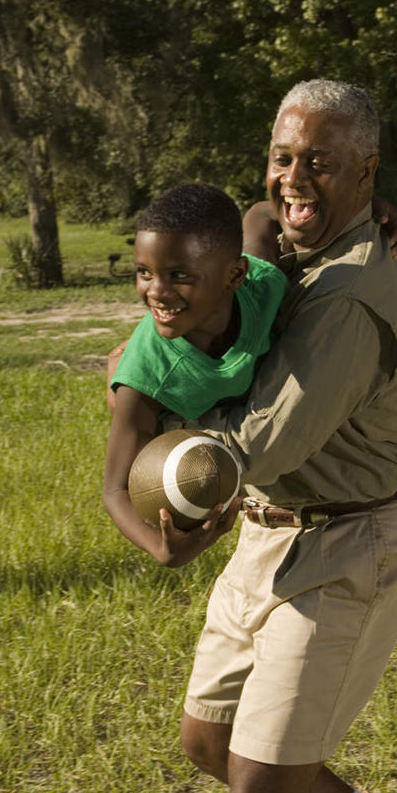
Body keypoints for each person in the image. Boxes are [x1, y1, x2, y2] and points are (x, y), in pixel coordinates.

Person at [160, 79, 397, 793]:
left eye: (319, 161)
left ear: (367, 171)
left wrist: (154, 424)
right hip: (270, 531)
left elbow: (261, 445)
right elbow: (257, 215)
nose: (293, 177)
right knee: (208, 740)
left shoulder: (346, 295)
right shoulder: (300, 249)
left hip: (349, 544)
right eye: (282, 157)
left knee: (262, 783)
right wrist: (280, 206)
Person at [242, 194, 397, 638]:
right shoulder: (245, 244)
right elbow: (263, 211)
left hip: (309, 362)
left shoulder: (323, 274)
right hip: (276, 373)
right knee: (335, 467)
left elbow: (267, 211)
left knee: (367, 470)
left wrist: (360, 205)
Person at [103, 183, 286, 566]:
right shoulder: (149, 374)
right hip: (177, 410)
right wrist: (161, 549)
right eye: (144, 273)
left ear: (234, 275)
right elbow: (115, 490)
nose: (156, 291)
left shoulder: (263, 285)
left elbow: (262, 215)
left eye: (178, 275)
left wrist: (367, 206)